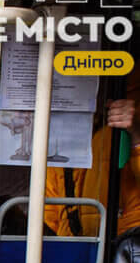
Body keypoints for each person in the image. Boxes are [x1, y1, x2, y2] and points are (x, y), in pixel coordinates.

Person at [45, 92, 140, 237]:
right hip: (75, 247)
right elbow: (50, 209)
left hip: (127, 245)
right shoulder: (63, 130)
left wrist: (136, 134)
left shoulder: (130, 116)